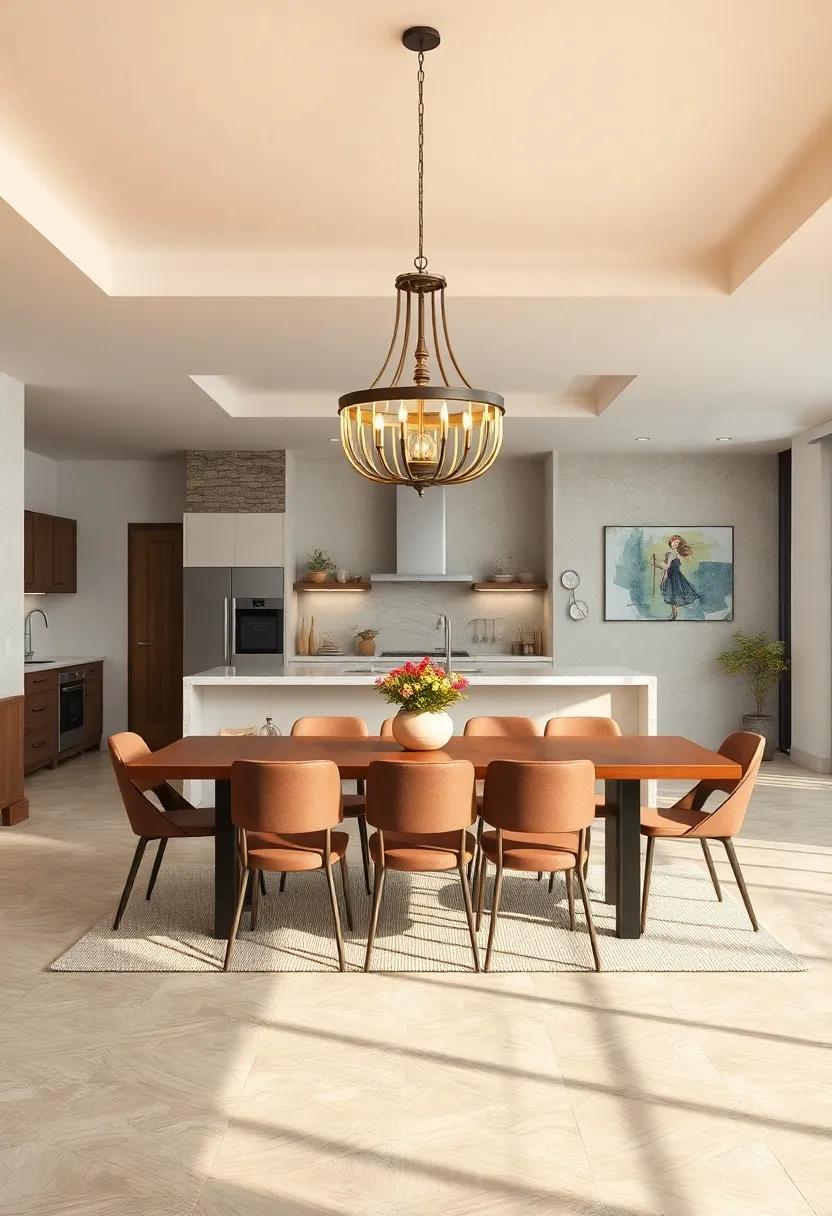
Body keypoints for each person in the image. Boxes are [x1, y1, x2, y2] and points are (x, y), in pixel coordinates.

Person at [659, 534, 699, 620]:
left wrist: (663, 579)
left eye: (678, 542)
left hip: (676, 577)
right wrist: (664, 579)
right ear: (671, 542)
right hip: (671, 577)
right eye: (674, 541)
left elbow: (667, 567)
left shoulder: (676, 553)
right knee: (674, 597)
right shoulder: (669, 554)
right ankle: (674, 615)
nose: (676, 543)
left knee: (675, 596)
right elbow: (667, 568)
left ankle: (674, 616)